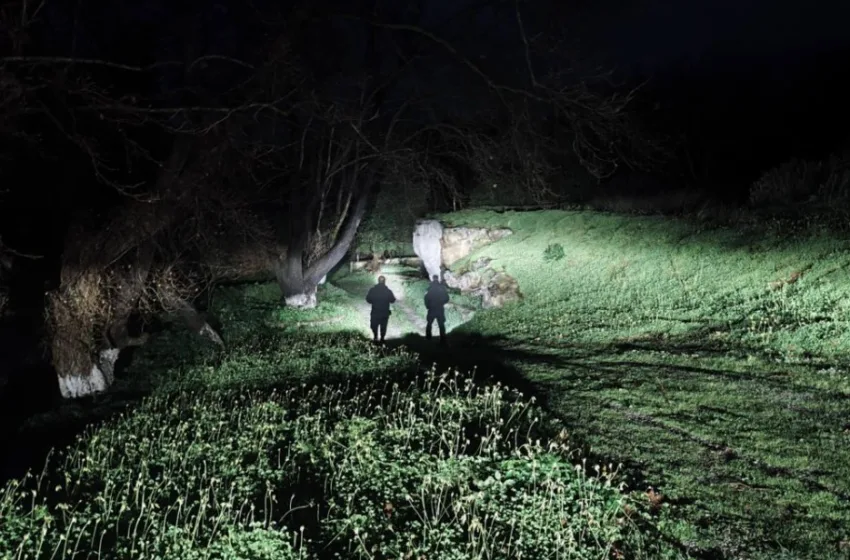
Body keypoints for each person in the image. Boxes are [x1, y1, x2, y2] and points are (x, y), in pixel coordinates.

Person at [366, 275, 396, 343]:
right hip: (384, 312)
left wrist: (373, 301)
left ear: (378, 281)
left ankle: (375, 337)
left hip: (375, 312)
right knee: (383, 326)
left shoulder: (373, 290)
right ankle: (382, 338)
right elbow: (393, 300)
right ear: (384, 282)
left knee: (374, 325)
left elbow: (368, 299)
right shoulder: (388, 291)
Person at [424, 274, 449, 344]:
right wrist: (442, 302)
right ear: (438, 279)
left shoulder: (429, 288)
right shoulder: (442, 288)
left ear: (433, 278)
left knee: (429, 323)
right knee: (441, 324)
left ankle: (428, 338)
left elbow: (426, 298)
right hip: (440, 308)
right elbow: (447, 298)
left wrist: (427, 306)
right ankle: (443, 339)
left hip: (431, 309)